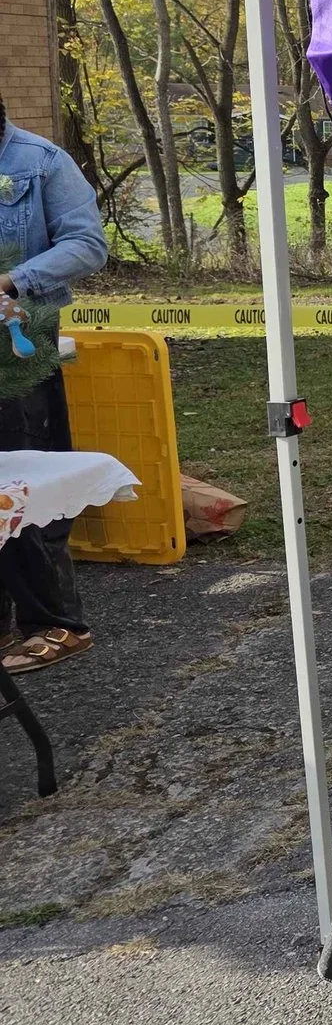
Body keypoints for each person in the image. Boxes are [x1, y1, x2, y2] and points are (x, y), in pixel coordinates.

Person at [0, 96, 107, 673]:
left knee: (23, 480)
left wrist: (15, 281)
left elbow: (87, 244)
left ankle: (55, 624)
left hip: (19, 345)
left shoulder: (41, 162)